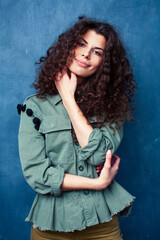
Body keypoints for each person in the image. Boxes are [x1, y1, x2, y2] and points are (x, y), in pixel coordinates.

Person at [17, 16, 137, 240]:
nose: (86, 54)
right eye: (82, 44)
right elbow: (37, 175)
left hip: (102, 224)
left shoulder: (112, 106)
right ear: (69, 46)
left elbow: (98, 156)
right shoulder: (34, 107)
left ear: (105, 63)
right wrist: (96, 183)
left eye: (97, 51)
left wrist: (68, 99)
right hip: (50, 227)